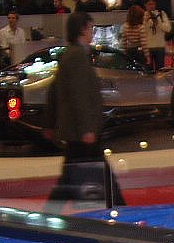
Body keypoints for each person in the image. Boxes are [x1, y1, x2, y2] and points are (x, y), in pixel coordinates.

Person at [45, 10, 122, 205]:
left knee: (69, 178)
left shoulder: (69, 55)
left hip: (74, 131)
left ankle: (49, 217)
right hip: (81, 132)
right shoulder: (78, 56)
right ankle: (122, 211)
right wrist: (88, 128)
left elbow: (54, 91)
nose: (93, 33)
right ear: (82, 29)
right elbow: (80, 96)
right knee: (99, 176)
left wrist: (51, 123)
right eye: (91, 28)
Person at [142, 0, 171, 70]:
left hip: (160, 46)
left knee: (161, 71)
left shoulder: (161, 14)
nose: (152, 6)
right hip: (148, 47)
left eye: (153, 4)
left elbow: (168, 29)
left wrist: (158, 22)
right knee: (149, 71)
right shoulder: (143, 15)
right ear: (145, 5)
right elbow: (142, 31)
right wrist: (146, 20)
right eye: (149, 4)